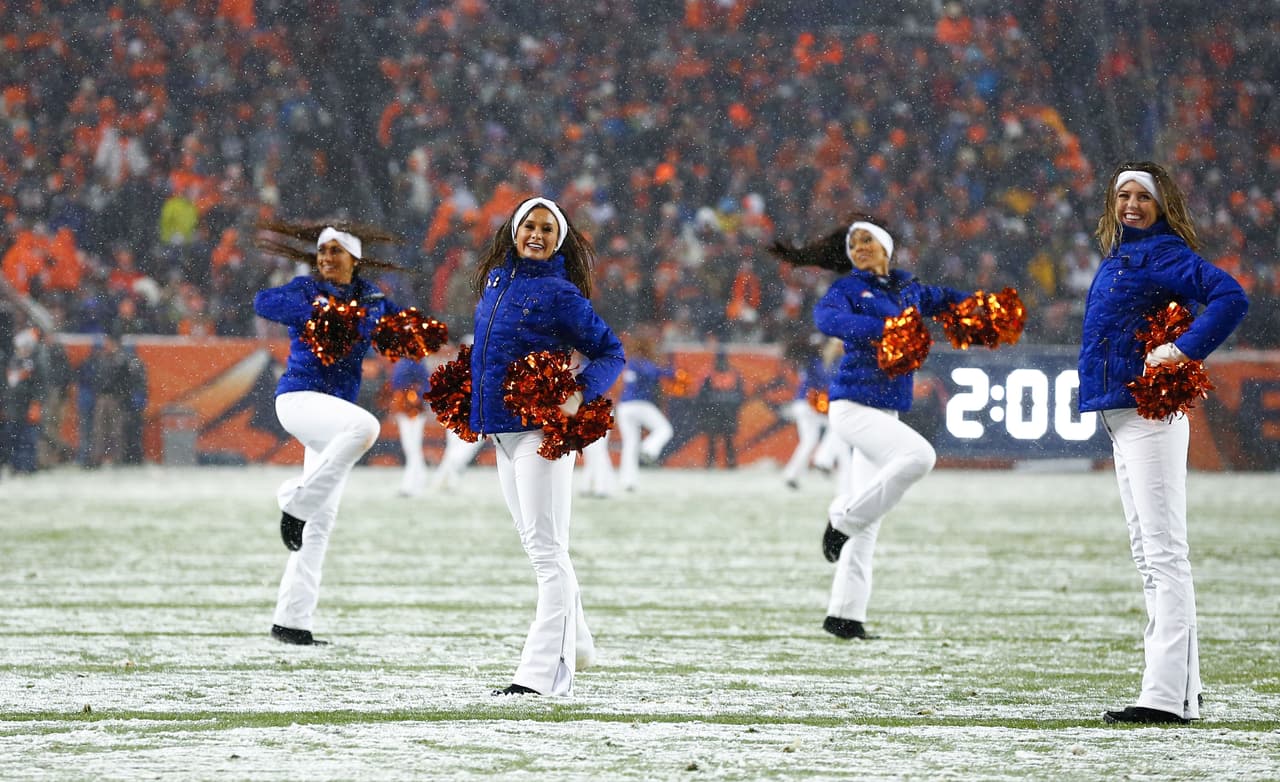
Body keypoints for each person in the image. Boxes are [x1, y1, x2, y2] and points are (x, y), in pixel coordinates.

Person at [1079, 163, 1248, 725]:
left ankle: (1162, 697)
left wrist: (1183, 350)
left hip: (1148, 412)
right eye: (1122, 195)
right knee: (1150, 555)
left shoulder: (1163, 253)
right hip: (1122, 414)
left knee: (1164, 555)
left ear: (1162, 204)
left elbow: (1230, 297)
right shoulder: (1121, 255)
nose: (1131, 204)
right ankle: (1183, 693)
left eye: (1142, 197)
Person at [770, 215, 972, 641]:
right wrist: (884, 329)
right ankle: (841, 519)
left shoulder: (908, 289)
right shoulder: (848, 288)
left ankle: (845, 615)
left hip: (887, 411)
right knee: (919, 457)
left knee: (870, 523)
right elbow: (827, 319)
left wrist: (986, 309)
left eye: (867, 240)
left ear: (886, 246)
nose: (859, 247)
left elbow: (948, 301)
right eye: (853, 243)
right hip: (853, 407)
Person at [469, 196, 625, 696]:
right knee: (541, 547)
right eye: (529, 226)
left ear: (559, 241)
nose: (536, 235)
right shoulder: (496, 281)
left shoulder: (560, 293)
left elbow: (611, 351)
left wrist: (580, 393)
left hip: (540, 432)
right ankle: (577, 643)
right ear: (514, 231)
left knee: (546, 553)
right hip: (503, 433)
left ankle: (540, 678)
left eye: (547, 229)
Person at [253, 220, 413, 646]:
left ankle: (292, 622)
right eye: (323, 250)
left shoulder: (371, 298)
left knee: (321, 522)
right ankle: (295, 500)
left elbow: (408, 332)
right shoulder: (307, 290)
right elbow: (263, 302)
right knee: (365, 427)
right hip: (299, 400)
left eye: (335, 250)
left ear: (354, 259)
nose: (325, 257)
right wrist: (317, 310)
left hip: (332, 414)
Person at [616, 331, 674, 492]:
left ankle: (628, 481)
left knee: (629, 444)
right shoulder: (643, 363)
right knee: (665, 429)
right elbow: (661, 373)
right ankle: (648, 449)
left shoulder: (630, 362)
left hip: (624, 407)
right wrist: (671, 369)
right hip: (640, 404)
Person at [387, 355, 432, 497]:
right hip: (404, 406)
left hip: (414, 408)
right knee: (411, 447)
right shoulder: (405, 360)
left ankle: (410, 484)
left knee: (412, 447)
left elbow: (426, 384)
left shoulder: (415, 360)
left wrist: (416, 396)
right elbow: (396, 383)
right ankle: (420, 477)